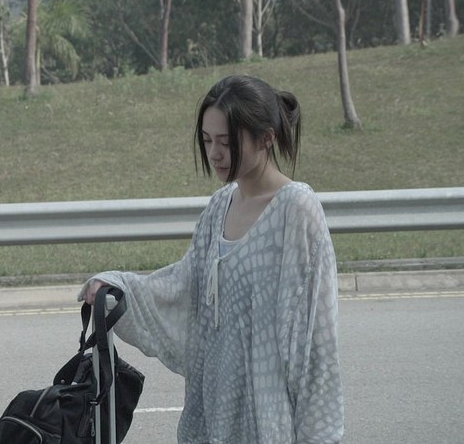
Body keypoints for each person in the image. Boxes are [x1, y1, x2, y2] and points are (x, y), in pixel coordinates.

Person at [80, 75, 343, 443]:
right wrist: (117, 287)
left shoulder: (296, 209)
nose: (214, 153)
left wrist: (318, 437)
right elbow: (183, 287)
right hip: (211, 415)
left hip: (266, 422)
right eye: (207, 140)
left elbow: (316, 340)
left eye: (227, 142)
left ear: (266, 138)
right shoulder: (220, 205)